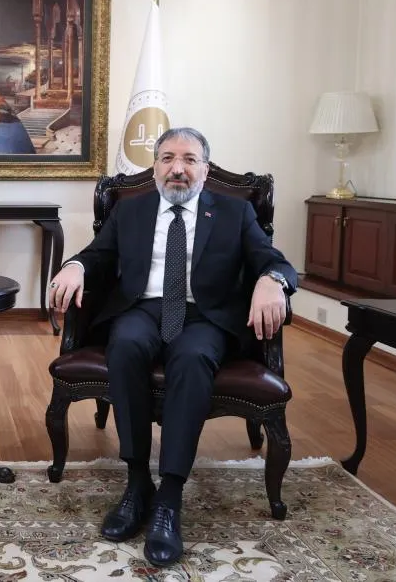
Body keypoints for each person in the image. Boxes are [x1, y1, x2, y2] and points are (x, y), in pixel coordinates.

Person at [49, 127, 296, 566]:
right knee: (125, 344)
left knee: (193, 357)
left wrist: (272, 281)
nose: (177, 168)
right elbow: (98, 254)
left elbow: (274, 261)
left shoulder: (235, 212)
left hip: (206, 315)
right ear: (155, 167)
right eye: (167, 158)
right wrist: (74, 267)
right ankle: (137, 481)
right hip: (143, 308)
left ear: (205, 169)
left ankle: (170, 495)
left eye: (188, 159)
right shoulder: (132, 209)